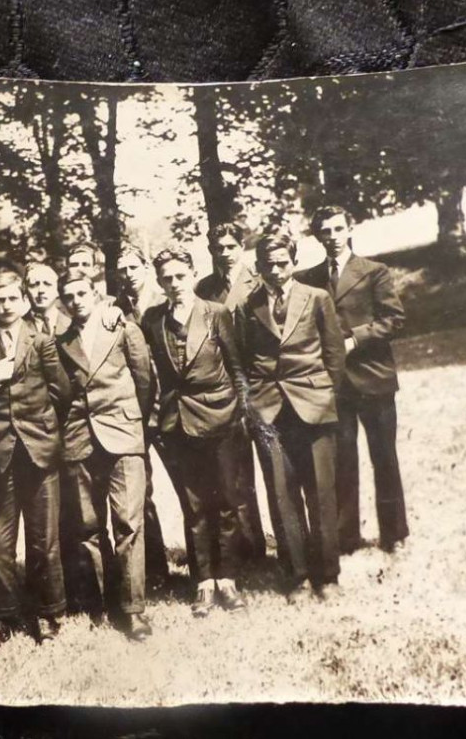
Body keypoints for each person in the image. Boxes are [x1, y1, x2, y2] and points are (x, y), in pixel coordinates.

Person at [0, 269, 71, 653]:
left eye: (12, 299)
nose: (6, 306)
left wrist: (42, 429)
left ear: (23, 301)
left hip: (39, 452)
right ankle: (2, 617)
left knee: (43, 540)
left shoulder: (41, 342)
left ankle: (47, 610)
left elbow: (61, 392)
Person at [234, 231, 347, 601]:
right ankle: (296, 576)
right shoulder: (248, 306)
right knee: (282, 495)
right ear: (259, 267)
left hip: (313, 405)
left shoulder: (317, 298)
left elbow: (334, 354)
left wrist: (328, 399)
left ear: (293, 262)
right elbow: (242, 360)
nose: (277, 270)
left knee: (321, 492)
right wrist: (252, 408)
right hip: (269, 410)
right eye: (269, 265)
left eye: (283, 262)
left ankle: (327, 576)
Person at [141, 247, 250, 617]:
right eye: (166, 278)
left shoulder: (215, 313)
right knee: (194, 505)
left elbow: (236, 368)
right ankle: (203, 582)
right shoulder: (153, 320)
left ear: (191, 274)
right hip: (178, 424)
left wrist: (241, 413)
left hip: (220, 417)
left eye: (179, 275)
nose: (174, 283)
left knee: (226, 501)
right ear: (159, 281)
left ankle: (229, 579)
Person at [298, 206, 409, 553]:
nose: (331, 237)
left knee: (384, 458)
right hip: (335, 385)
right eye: (324, 231)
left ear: (349, 229)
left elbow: (393, 319)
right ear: (317, 236)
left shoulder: (374, 271)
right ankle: (347, 538)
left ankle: (395, 535)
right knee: (343, 462)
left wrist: (353, 339)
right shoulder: (308, 278)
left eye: (337, 229)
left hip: (373, 379)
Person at [53, 269, 156, 640]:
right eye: (69, 296)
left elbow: (144, 380)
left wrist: (134, 423)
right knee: (87, 527)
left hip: (124, 433)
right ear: (62, 301)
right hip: (79, 439)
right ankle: (101, 604)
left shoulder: (122, 327)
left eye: (82, 293)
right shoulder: (60, 340)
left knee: (129, 522)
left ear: (96, 293)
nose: (76, 300)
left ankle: (133, 610)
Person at [195, 221, 268, 561]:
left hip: (262, 383)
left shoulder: (260, 281)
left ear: (242, 246)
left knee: (273, 470)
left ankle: (284, 548)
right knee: (235, 476)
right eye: (217, 248)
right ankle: (248, 548)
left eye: (229, 246)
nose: (224, 253)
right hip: (227, 389)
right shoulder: (204, 289)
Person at [110, 241, 174, 593]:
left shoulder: (161, 301)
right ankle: (156, 570)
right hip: (136, 414)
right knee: (141, 494)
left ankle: (207, 569)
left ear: (146, 267)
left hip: (169, 407)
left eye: (132, 268)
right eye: (121, 270)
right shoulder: (116, 309)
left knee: (189, 487)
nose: (127, 275)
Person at [24, 261, 71, 337]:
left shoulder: (71, 325)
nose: (41, 290)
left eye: (47, 284)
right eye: (33, 285)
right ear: (25, 290)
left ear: (58, 289)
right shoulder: (17, 327)